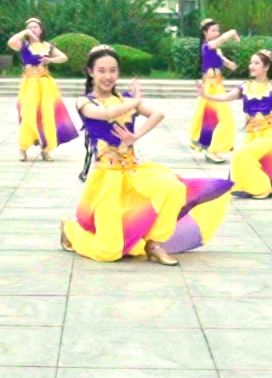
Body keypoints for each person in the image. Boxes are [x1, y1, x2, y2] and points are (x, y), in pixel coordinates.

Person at [60, 45, 233, 264]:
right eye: (101, 71)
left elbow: (158, 114)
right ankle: (70, 230)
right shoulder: (85, 102)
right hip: (107, 179)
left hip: (133, 172)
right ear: (90, 72)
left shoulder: (125, 99)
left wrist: (135, 136)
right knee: (109, 252)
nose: (108, 76)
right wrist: (133, 102)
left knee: (174, 189)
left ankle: (154, 243)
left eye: (113, 70)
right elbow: (106, 114)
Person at [197, 29, 272, 198]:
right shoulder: (245, 86)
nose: (251, 66)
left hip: (271, 135)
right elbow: (226, 97)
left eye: (256, 63)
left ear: (266, 67)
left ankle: (262, 188)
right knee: (239, 158)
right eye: (250, 63)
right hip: (252, 135)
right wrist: (207, 96)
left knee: (241, 155)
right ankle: (258, 185)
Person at [9, 18, 77, 161]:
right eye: (30, 27)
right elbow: (11, 42)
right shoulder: (23, 45)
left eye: (35, 27)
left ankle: (46, 149)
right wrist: (25, 32)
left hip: (45, 84)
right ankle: (23, 148)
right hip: (29, 84)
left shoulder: (47, 46)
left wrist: (50, 60)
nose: (32, 29)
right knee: (28, 114)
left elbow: (63, 57)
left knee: (47, 115)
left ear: (41, 30)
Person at [189, 19, 241, 162]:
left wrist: (230, 64)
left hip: (217, 84)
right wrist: (231, 33)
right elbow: (219, 42)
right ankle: (213, 149)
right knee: (224, 118)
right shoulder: (207, 46)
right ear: (205, 32)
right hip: (211, 86)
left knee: (214, 117)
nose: (217, 33)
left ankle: (212, 147)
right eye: (213, 30)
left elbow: (223, 60)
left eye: (217, 30)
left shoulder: (216, 49)